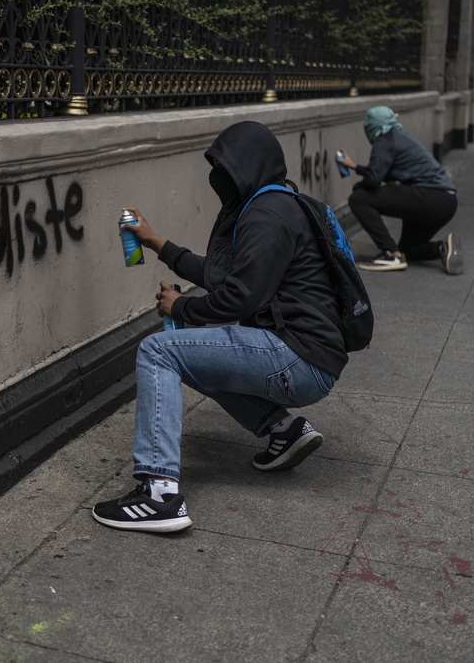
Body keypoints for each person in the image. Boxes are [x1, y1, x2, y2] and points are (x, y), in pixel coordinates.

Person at [92, 121, 346, 534]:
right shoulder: (276, 203)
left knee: (158, 351)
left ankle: (159, 493)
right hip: (306, 357)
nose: (220, 179)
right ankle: (285, 429)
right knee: (190, 354)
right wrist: (157, 243)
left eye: (226, 169)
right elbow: (225, 275)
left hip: (297, 358)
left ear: (246, 167)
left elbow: (240, 297)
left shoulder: (267, 216)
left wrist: (184, 306)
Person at [337, 106, 462, 274]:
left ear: (373, 126)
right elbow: (381, 174)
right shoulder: (399, 138)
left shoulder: (384, 140)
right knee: (408, 248)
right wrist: (354, 166)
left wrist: (358, 184)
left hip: (430, 196)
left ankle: (391, 254)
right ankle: (442, 248)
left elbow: (373, 179)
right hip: (446, 202)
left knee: (358, 198)